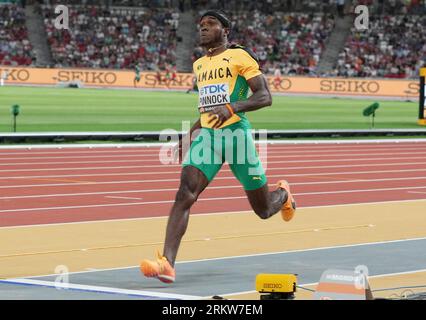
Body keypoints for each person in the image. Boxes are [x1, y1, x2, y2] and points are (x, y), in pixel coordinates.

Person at [140, 10, 296, 284]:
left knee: (263, 211)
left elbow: (264, 96)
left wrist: (232, 107)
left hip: (237, 136)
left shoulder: (240, 56)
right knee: (185, 193)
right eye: (201, 25)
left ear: (225, 30)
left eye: (210, 24)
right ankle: (167, 263)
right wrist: (188, 134)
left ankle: (283, 195)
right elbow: (206, 107)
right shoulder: (199, 64)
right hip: (209, 137)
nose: (203, 28)